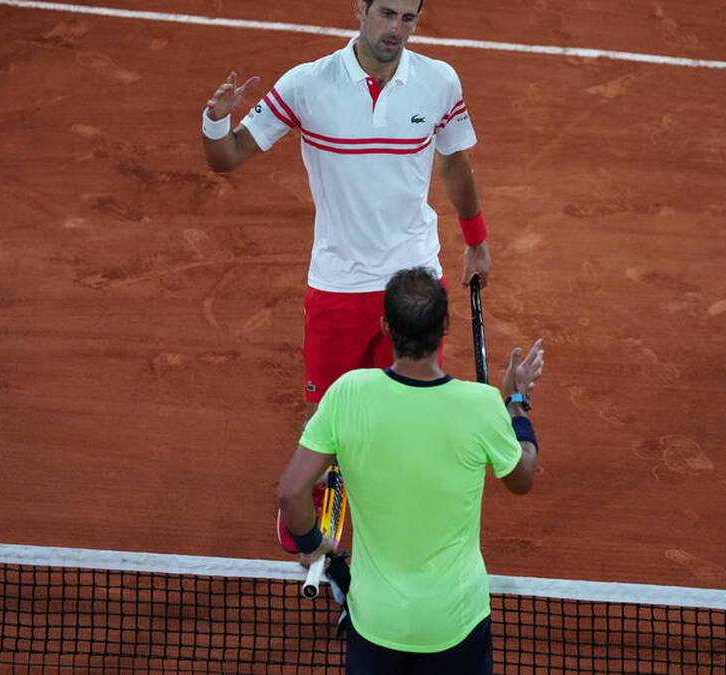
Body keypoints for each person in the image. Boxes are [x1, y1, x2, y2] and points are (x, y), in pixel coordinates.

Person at [200, 0, 491, 410]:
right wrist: (216, 121)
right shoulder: (306, 84)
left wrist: (475, 240)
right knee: (331, 422)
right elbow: (226, 157)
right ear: (360, 8)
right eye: (386, 14)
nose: (396, 29)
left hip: (415, 282)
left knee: (403, 418)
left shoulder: (439, 82)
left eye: (408, 19)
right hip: (339, 284)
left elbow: (454, 162)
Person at [276, 267, 544, 674]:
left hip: (376, 622)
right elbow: (522, 477)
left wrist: (313, 543)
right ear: (446, 326)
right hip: (455, 622)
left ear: (384, 326)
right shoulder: (482, 404)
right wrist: (515, 404)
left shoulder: (349, 393)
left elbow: (292, 492)